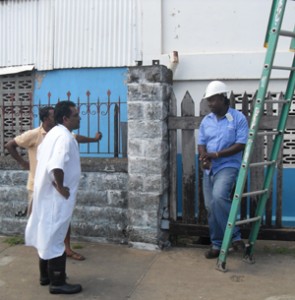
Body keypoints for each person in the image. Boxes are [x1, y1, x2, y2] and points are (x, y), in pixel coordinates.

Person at [5, 106, 102, 261]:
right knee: (43, 222)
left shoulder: (58, 133)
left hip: (52, 186)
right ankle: (47, 258)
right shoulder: (38, 135)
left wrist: (95, 140)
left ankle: (62, 251)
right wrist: (23, 163)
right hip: (40, 185)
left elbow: (77, 138)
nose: (55, 117)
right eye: (52, 116)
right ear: (46, 119)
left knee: (60, 220)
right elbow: (11, 145)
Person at [25, 101, 84, 294]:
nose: (79, 117)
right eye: (75, 115)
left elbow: (44, 158)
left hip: (46, 194)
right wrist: (61, 188)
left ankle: (45, 276)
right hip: (56, 198)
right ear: (65, 118)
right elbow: (56, 166)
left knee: (46, 234)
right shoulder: (64, 138)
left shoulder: (52, 134)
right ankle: (57, 282)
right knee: (57, 237)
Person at [197, 81, 249, 259]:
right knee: (211, 207)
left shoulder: (238, 118)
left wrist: (217, 154)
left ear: (223, 98)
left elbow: (241, 144)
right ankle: (217, 244)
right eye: (208, 100)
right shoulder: (207, 120)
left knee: (219, 197)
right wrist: (203, 157)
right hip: (209, 169)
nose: (210, 104)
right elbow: (201, 143)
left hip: (228, 166)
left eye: (213, 100)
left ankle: (235, 237)